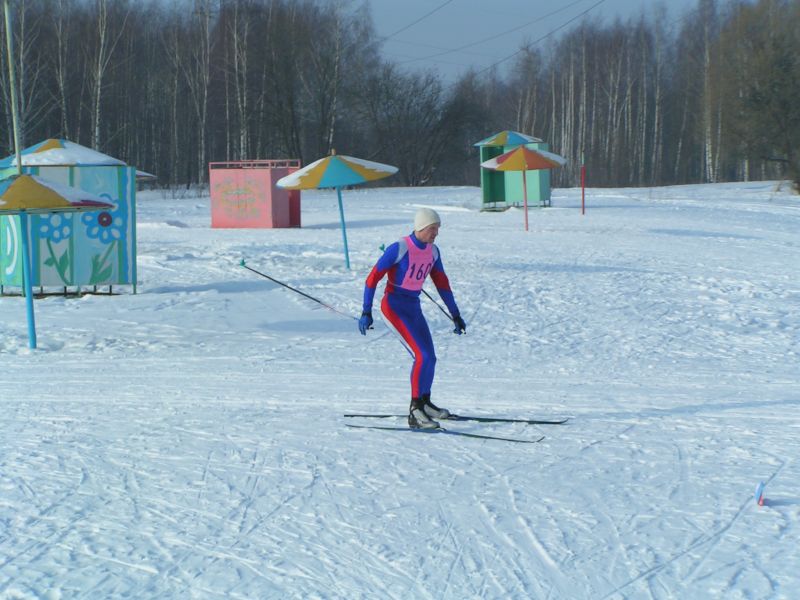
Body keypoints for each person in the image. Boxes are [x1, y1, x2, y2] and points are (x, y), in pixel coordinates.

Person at [358, 207, 466, 429]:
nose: (436, 233)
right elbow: (372, 278)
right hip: (394, 306)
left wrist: (455, 314)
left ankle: (425, 403)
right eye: (432, 229)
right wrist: (366, 311)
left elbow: (442, 284)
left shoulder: (433, 252)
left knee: (431, 358)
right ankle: (414, 410)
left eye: (437, 229)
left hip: (413, 306)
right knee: (422, 355)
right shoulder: (400, 248)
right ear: (421, 227)